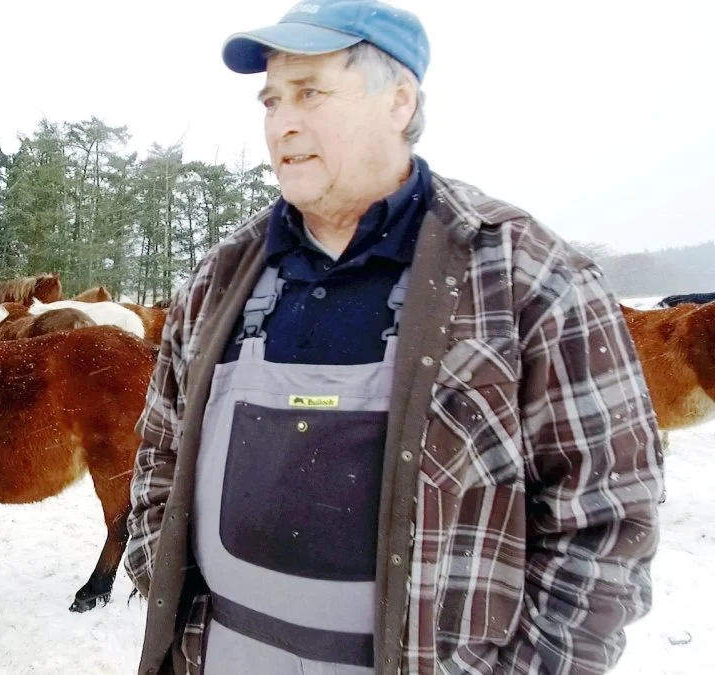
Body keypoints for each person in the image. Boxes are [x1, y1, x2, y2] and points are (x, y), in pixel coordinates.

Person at [124, 1, 665, 674]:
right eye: (270, 100)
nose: (280, 122)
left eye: (309, 92)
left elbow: (608, 516)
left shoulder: (527, 274)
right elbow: (159, 452)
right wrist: (162, 576)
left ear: (399, 101)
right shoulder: (220, 277)